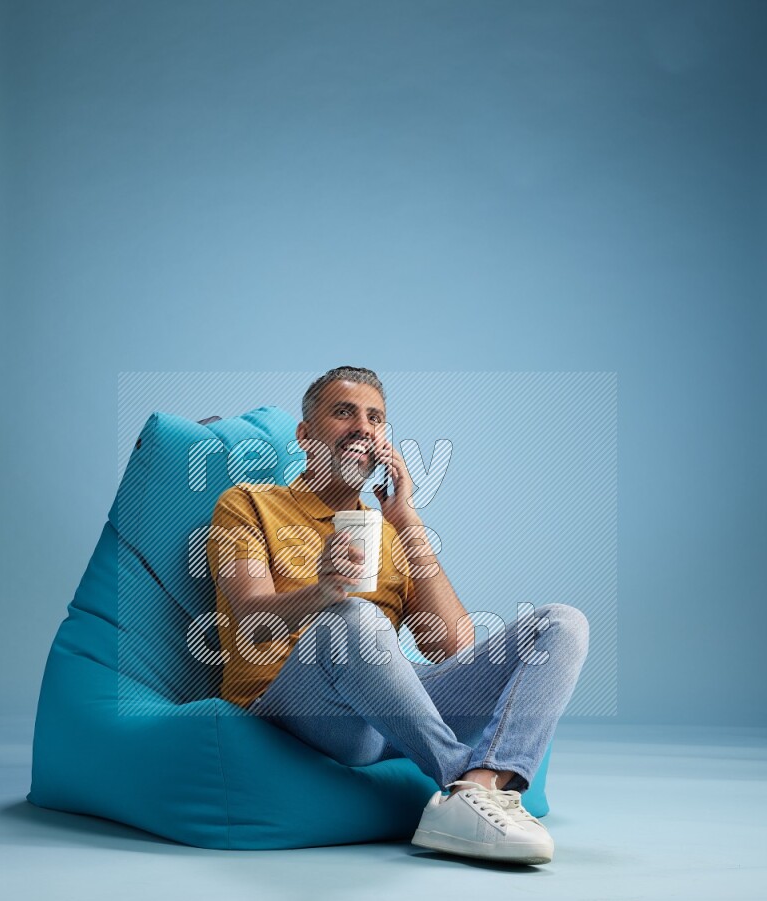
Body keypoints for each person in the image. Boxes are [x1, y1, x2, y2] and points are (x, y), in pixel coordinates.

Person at [206, 366, 590, 865]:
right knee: (352, 618)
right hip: (292, 706)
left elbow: (452, 646)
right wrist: (321, 593)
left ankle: (484, 784)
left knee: (561, 623)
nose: (363, 427)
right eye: (344, 412)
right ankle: (459, 786)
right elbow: (250, 615)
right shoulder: (249, 503)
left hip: (386, 718)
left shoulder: (389, 532)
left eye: (376, 418)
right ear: (305, 434)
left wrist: (406, 519)